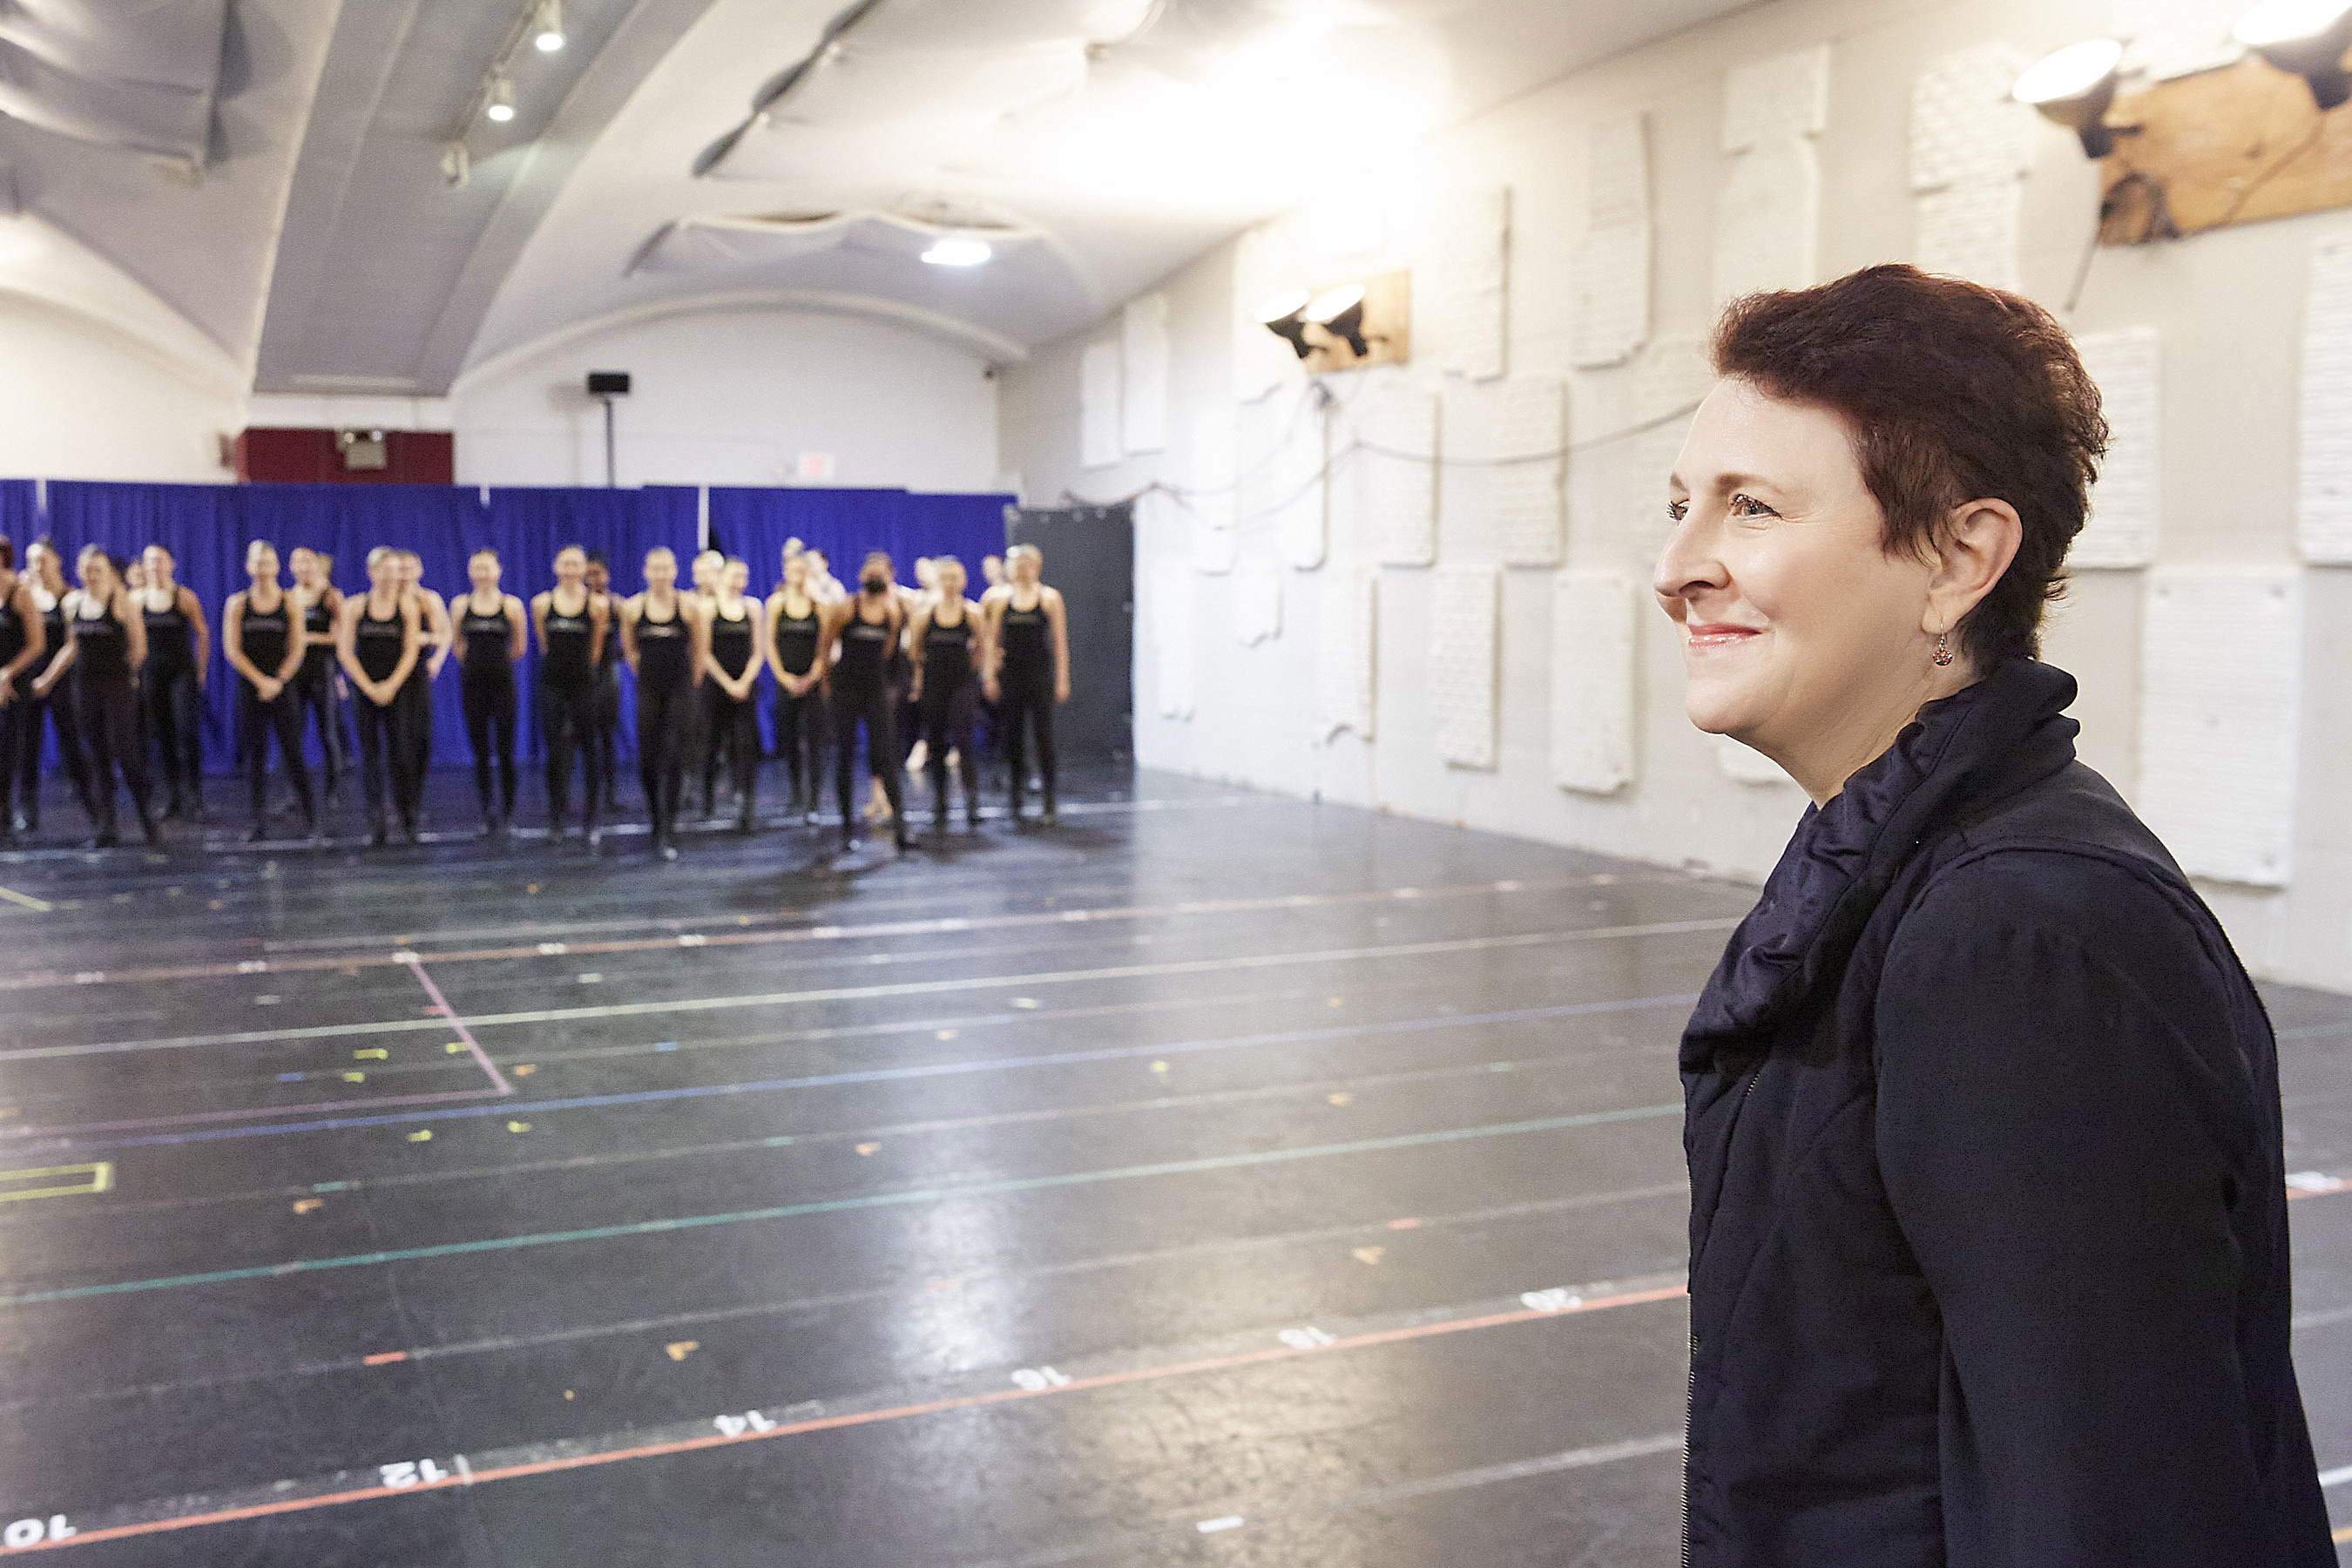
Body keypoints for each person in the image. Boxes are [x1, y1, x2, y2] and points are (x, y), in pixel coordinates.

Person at [1656, 265, 2334, 1566]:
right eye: (1682, 506)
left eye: (1751, 507)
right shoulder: (1901, 865)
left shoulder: (2023, 938)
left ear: (1960, 558)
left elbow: (2111, 1513)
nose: (1680, 566)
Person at [39, 545, 156, 846]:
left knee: (126, 753)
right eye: (87, 570)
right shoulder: (73, 603)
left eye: (98, 570)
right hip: (85, 687)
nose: (92, 575)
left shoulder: (123, 602)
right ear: (79, 572)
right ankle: (107, 827)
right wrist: (48, 678)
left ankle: (147, 821)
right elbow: (71, 646)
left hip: (116, 686)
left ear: (108, 572)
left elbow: (139, 648)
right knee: (97, 756)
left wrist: (127, 676)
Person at [221, 540, 315, 842]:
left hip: (282, 687)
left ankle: (312, 818)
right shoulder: (238, 603)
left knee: (294, 753)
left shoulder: (289, 602)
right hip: (251, 689)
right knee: (256, 756)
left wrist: (278, 681)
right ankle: (258, 822)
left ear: (277, 567)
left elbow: (298, 647)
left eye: (268, 563)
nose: (263, 570)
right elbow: (232, 649)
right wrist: (260, 682)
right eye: (257, 564)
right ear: (249, 567)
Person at [814, 557, 909, 852]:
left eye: (880, 573)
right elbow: (825, 647)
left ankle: (902, 829)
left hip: (875, 690)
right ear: (860, 575)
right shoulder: (845, 608)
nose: (875, 576)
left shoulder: (892, 612)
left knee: (886, 756)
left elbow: (888, 651)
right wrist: (827, 686)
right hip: (846, 690)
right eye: (871, 572)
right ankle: (846, 828)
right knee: (844, 755)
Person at [620, 545, 706, 860]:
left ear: (674, 571)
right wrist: (642, 674)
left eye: (665, 568)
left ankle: (669, 826)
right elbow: (629, 650)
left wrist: (690, 687)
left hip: (680, 689)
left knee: (674, 757)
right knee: (647, 758)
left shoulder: (688, 607)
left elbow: (700, 652)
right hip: (649, 689)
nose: (659, 574)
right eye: (654, 568)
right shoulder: (632, 608)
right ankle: (655, 819)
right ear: (646, 572)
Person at [336, 547, 423, 845]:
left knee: (401, 753)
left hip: (397, 691)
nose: (390, 577)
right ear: (371, 572)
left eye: (396, 571)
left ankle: (407, 816)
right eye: (384, 570)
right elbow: (345, 652)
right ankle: (376, 820)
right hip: (366, 692)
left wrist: (391, 686)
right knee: (370, 756)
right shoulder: (355, 607)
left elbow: (411, 651)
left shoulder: (408, 606)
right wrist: (369, 687)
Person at [980, 544, 1069, 822]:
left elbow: (1060, 643)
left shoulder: (1049, 598)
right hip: (1011, 675)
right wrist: (990, 675)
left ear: (1037, 567)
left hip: (1039, 674)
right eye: (1017, 565)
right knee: (1013, 736)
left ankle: (1049, 799)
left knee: (1043, 736)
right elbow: (992, 641)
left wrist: (1062, 678)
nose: (1022, 570)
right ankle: (1015, 797)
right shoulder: (999, 599)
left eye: (1027, 564)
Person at [16, 539, 97, 836]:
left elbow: (72, 645)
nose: (37, 566)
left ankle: (94, 809)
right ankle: (27, 812)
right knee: (27, 749)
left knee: (73, 746)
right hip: (29, 682)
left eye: (43, 560)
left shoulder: (69, 597)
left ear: (57, 561)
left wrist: (49, 678)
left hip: (61, 681)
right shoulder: (24, 596)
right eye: (32, 560)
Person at [531, 544, 609, 844]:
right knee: (555, 753)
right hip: (553, 684)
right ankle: (557, 818)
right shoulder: (541, 604)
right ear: (556, 567)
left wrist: (585, 674)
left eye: (575, 564)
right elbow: (543, 644)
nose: (570, 569)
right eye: (564, 563)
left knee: (590, 752)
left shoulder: (597, 605)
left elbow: (596, 650)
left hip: (584, 685)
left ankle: (591, 819)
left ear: (583, 568)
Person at [452, 548, 526, 837]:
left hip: (502, 685)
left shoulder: (511, 606)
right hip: (473, 685)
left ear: (499, 571)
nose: (482, 574)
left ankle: (508, 813)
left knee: (506, 752)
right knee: (481, 752)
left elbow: (519, 648)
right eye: (477, 569)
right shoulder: (460, 605)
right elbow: (459, 646)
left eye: (487, 568)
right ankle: (486, 812)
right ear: (470, 572)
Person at [908, 555, 983, 832]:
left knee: (965, 742)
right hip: (934, 685)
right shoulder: (924, 614)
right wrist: (919, 682)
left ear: (963, 580)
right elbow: (915, 651)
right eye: (946, 577)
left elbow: (980, 650)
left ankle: (972, 802)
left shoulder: (972, 612)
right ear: (939, 580)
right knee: (936, 744)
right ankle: (940, 802)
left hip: (962, 685)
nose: (951, 583)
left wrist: (972, 675)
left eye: (956, 577)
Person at [134, 544, 208, 821]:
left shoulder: (184, 597)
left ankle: (195, 796)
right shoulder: (136, 599)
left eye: (160, 560)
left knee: (187, 732)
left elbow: (202, 633)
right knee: (162, 736)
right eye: (150, 561)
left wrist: (200, 670)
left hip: (181, 673)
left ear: (171, 564)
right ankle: (174, 796)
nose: (154, 565)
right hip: (152, 674)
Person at [698, 557, 766, 831]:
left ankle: (744, 801)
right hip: (716, 686)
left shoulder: (752, 608)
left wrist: (743, 682)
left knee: (745, 745)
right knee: (712, 743)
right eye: (734, 575)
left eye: (743, 576)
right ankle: (707, 800)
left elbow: (758, 651)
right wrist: (726, 683)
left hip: (744, 686)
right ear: (722, 577)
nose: (739, 581)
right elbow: (703, 653)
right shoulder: (708, 608)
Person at [764, 549, 829, 824]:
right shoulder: (776, 603)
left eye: (803, 571)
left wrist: (812, 676)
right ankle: (795, 795)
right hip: (787, 681)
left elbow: (824, 647)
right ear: (785, 573)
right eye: (793, 571)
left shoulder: (819, 606)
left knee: (815, 742)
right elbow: (769, 643)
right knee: (789, 740)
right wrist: (784, 677)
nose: (798, 577)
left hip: (812, 683)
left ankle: (814, 799)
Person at [288, 546, 346, 802]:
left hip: (322, 670)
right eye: (298, 563)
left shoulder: (331, 596)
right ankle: (295, 791)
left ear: (316, 566)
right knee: (293, 733)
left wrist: (306, 637)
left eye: (308, 562)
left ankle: (333, 789)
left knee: (328, 732)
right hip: (295, 672)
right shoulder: (287, 597)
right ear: (291, 568)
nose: (303, 568)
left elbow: (339, 636)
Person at [0, 539, 47, 844]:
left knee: (6, 751)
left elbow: (37, 644)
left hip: (13, 685)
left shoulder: (20, 592)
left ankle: (5, 815)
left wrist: (6, 673)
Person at [396, 550, 451, 808]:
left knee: (421, 738)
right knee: (399, 740)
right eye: (401, 568)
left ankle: (414, 797)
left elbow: (444, 635)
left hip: (418, 672)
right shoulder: (388, 599)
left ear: (420, 570)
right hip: (392, 671)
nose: (405, 574)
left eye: (410, 568)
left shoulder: (429, 599)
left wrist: (436, 659)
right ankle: (402, 800)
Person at [584, 550, 625, 812]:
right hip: (583, 677)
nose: (593, 579)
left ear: (607, 575)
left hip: (608, 675)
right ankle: (588, 793)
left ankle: (609, 794)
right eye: (589, 574)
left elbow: (628, 641)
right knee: (582, 736)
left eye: (597, 573)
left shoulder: (616, 605)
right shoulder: (578, 603)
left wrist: (617, 655)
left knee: (607, 736)